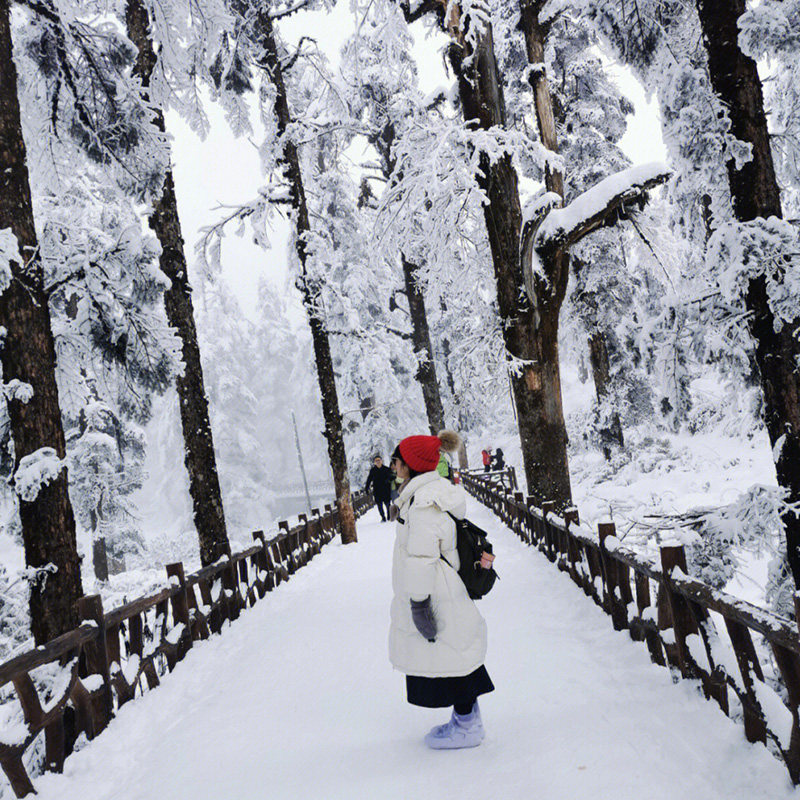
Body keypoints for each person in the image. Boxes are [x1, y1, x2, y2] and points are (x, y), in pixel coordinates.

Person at [389, 430, 494, 749]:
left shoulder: (423, 503)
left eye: (396, 460)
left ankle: (467, 726)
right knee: (452, 654)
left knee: (449, 655)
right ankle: (465, 718)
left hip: (435, 591)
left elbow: (422, 559)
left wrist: (419, 605)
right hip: (443, 589)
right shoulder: (428, 493)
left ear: (410, 465)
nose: (393, 466)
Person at [365, 455, 394, 522]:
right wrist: (367, 488)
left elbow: (393, 477)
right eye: (376, 461)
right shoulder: (373, 471)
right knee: (379, 505)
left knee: (387, 504)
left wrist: (388, 480)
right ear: (374, 462)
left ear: (381, 461)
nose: (378, 462)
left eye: (379, 460)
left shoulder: (386, 469)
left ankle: (389, 516)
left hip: (386, 490)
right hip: (377, 491)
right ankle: (383, 517)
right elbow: (369, 479)